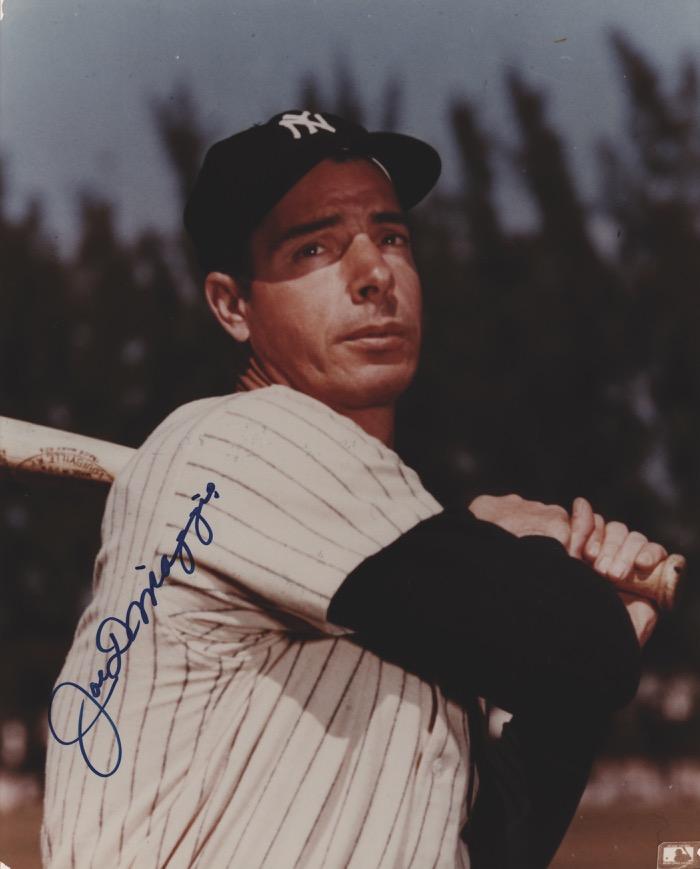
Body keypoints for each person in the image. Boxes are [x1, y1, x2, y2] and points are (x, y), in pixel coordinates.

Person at [43, 110, 668, 868]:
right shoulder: (240, 442)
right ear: (232, 305)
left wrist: (598, 628)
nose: (375, 274)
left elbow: (490, 847)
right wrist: (528, 546)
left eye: (392, 236)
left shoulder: (388, 562)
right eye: (314, 247)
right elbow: (582, 649)